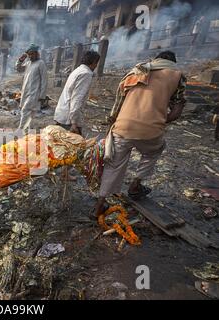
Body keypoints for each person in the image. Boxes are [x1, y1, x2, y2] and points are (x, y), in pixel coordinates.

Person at [94, 51, 186, 217]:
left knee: (114, 165)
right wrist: (159, 121)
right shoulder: (177, 76)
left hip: (123, 126)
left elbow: (118, 102)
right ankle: (136, 185)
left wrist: (113, 121)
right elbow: (177, 110)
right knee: (154, 151)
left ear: (156, 59)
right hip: (151, 131)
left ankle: (100, 204)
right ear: (172, 63)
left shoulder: (137, 71)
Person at [54, 51, 100, 136]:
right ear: (93, 62)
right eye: (96, 63)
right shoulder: (86, 74)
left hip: (62, 114)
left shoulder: (78, 70)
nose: (96, 66)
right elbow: (77, 99)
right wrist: (74, 122)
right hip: (69, 120)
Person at [15, 44, 48, 131]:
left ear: (36, 53)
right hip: (26, 91)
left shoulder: (41, 63)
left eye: (32, 54)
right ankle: (28, 132)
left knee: (25, 110)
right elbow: (18, 69)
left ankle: (20, 130)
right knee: (30, 114)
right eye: (29, 54)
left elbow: (44, 80)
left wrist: (42, 96)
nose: (30, 56)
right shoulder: (28, 63)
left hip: (35, 93)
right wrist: (20, 60)